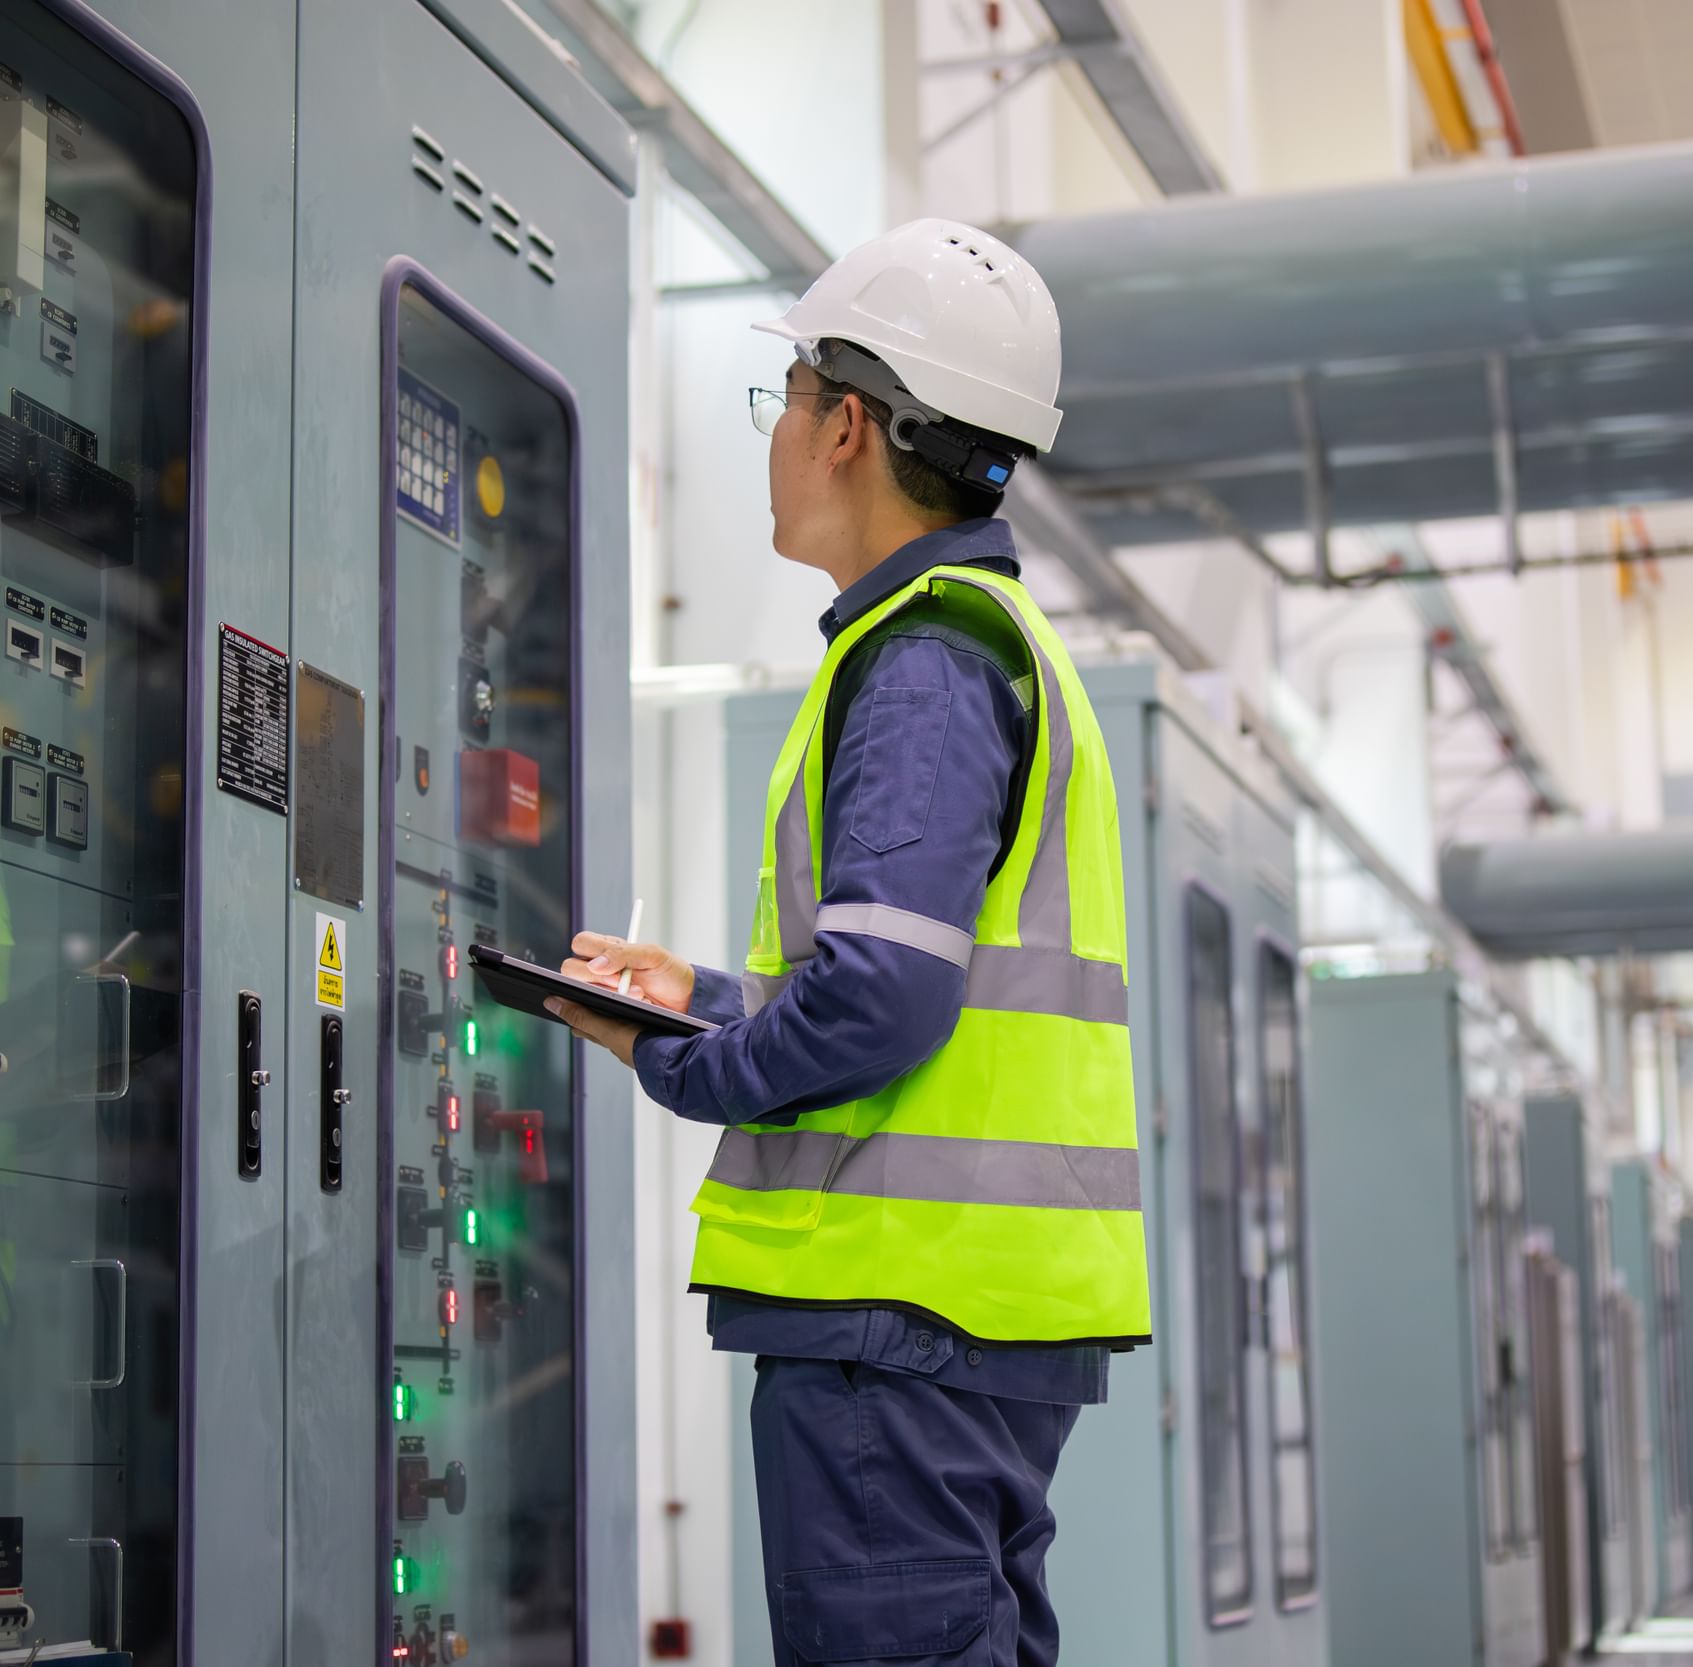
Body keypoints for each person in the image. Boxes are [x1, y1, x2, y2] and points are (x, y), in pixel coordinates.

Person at [545, 218, 1148, 1667]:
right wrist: (709, 996)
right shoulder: (989, 644)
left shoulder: (925, 659)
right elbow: (926, 978)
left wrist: (684, 1064)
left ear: (848, 428)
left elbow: (881, 1002)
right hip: (965, 1321)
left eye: (790, 397)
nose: (779, 431)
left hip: (901, 1319)